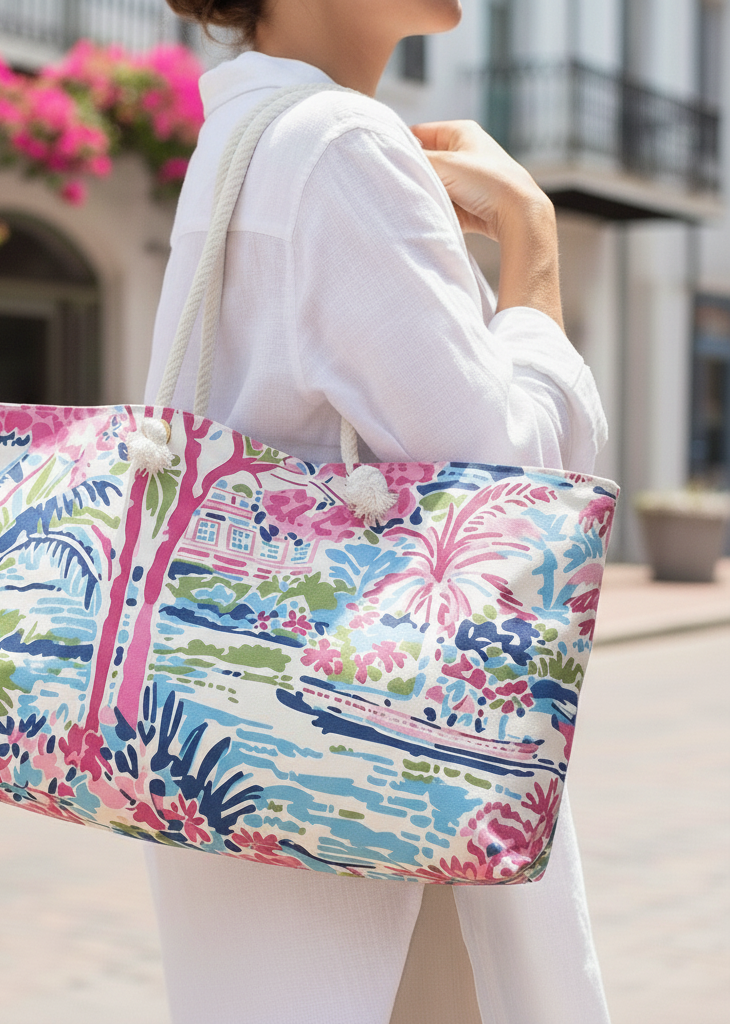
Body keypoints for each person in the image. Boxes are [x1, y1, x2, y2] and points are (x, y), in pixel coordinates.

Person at [142, 2, 611, 1022]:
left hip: (241, 758)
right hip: (380, 796)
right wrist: (532, 248)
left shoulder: (243, 134)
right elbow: (511, 493)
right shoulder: (338, 142)